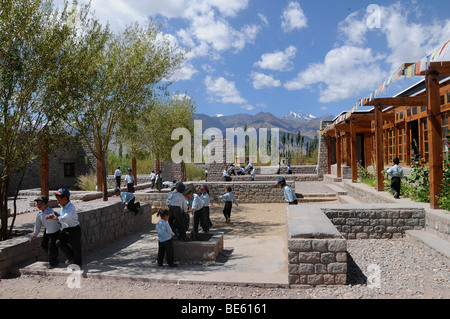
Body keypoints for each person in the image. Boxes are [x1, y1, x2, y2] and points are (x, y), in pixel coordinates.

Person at [46, 188, 82, 267]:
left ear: (65, 198)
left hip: (74, 229)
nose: (57, 201)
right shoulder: (63, 206)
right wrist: (55, 214)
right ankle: (71, 256)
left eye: (58, 199)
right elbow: (61, 215)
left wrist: (53, 218)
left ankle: (77, 264)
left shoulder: (70, 207)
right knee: (59, 242)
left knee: (76, 247)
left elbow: (64, 218)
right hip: (66, 229)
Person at [30, 196, 60, 269]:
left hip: (54, 231)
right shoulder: (39, 214)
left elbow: (55, 214)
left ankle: (53, 263)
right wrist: (34, 235)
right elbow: (37, 225)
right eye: (38, 203)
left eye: (41, 203)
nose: (39, 205)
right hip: (47, 231)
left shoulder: (50, 211)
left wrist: (52, 216)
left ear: (46, 204)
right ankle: (54, 256)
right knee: (44, 245)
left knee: (51, 246)